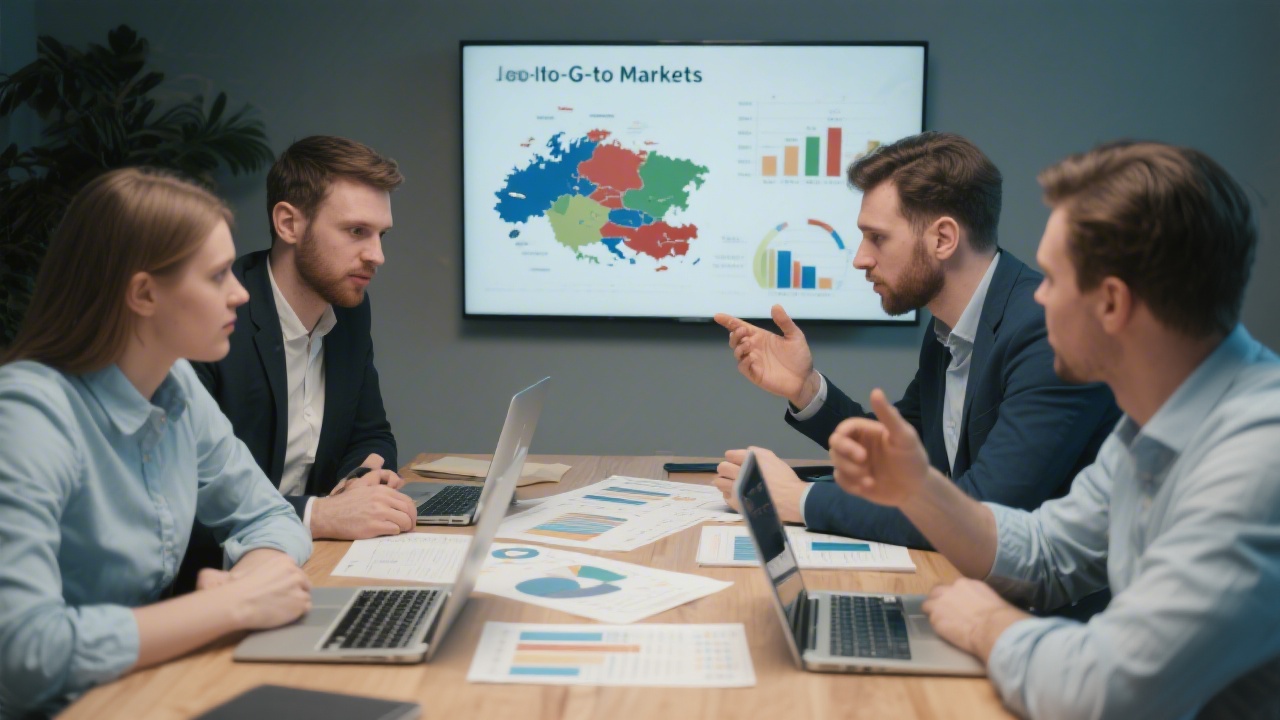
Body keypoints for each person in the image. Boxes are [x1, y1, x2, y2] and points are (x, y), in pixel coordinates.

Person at [818, 141, 1280, 717]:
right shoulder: (1153, 425)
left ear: (1111, 304)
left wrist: (987, 622)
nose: (1036, 295)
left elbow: (1107, 689)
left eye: (1054, 279)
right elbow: (1043, 552)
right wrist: (919, 489)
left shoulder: (1256, 461)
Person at [0, 168, 313, 717]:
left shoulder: (177, 386)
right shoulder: (27, 415)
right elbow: (27, 655)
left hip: (139, 690)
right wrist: (234, 605)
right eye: (217, 275)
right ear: (143, 293)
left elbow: (269, 517)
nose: (241, 291)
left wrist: (250, 581)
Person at [714, 131, 1119, 548]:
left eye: (878, 237)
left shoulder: (1046, 333)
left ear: (943, 239)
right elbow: (896, 453)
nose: (860, 258)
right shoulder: (948, 328)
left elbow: (984, 510)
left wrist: (800, 500)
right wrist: (806, 388)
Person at [190, 136, 418, 544]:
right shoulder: (214, 317)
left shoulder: (348, 310)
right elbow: (188, 494)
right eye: (356, 231)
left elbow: (371, 433)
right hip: (218, 574)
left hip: (307, 558)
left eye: (381, 235)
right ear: (289, 224)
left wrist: (362, 480)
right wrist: (318, 515)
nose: (376, 255)